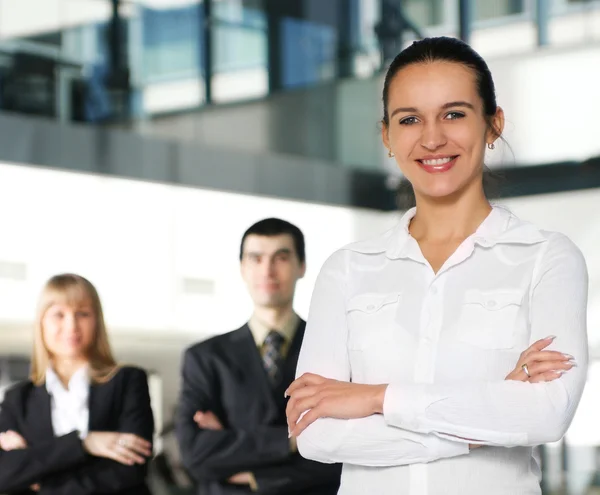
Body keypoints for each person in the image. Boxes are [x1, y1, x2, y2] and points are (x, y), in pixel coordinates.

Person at [285, 37, 588, 494]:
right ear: (387, 136)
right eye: (409, 120)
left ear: (493, 124)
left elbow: (546, 413)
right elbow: (315, 430)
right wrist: (480, 425)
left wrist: (374, 398)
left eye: (454, 114)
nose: (432, 138)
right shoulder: (348, 270)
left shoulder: (546, 257)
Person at [176, 218, 341, 495]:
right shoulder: (204, 358)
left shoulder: (333, 349)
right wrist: (292, 441)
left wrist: (253, 472)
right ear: (243, 267)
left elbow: (345, 451)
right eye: (256, 258)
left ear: (301, 266)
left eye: (281, 257)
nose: (268, 270)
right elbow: (195, 454)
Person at [0, 274, 154, 495]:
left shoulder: (127, 381)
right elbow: (5, 474)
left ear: (97, 321)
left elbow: (129, 468)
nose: (71, 325)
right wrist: (84, 444)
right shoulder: (18, 399)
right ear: (41, 322)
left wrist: (41, 481)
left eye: (83, 313)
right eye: (58, 315)